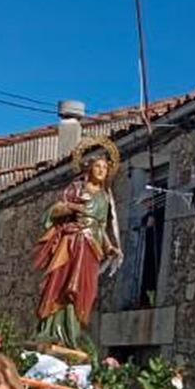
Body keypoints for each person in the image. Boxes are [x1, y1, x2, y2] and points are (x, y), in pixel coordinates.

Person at [32, 141, 123, 347]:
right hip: (71, 244)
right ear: (88, 168)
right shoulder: (76, 188)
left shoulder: (105, 198)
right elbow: (53, 212)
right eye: (97, 166)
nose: (101, 170)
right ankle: (50, 331)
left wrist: (109, 248)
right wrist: (72, 207)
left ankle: (70, 334)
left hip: (91, 248)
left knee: (82, 292)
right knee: (59, 284)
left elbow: (101, 228)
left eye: (104, 168)